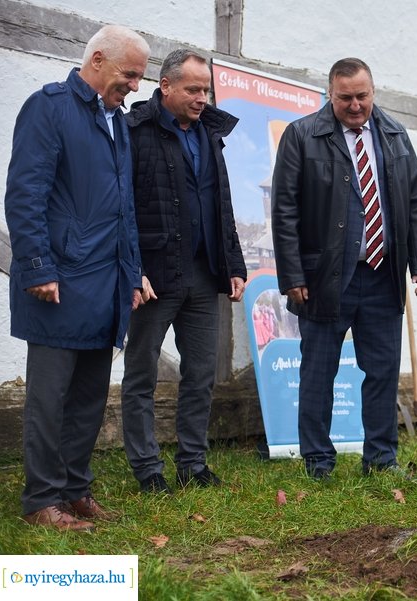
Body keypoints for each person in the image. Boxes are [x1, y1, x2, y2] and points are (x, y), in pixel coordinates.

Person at [4, 25, 150, 531]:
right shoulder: (49, 108)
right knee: (50, 399)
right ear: (97, 61)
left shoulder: (118, 123)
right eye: (129, 75)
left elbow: (124, 210)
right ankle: (41, 501)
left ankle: (74, 490)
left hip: (105, 284)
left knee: (89, 395)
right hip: (59, 281)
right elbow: (26, 195)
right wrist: (38, 267)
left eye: (139, 78)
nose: (135, 86)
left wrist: (132, 274)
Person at [271, 57, 417, 479]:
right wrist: (292, 276)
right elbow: (284, 209)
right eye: (345, 98)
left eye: (362, 96)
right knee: (318, 371)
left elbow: (415, 199)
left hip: (382, 274)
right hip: (324, 277)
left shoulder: (395, 135)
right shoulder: (302, 136)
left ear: (373, 92)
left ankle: (381, 460)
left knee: (381, 371)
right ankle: (318, 461)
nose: (355, 105)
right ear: (330, 94)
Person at [121, 49, 247, 494]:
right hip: (154, 276)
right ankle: (147, 468)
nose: (201, 98)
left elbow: (221, 203)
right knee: (142, 374)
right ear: (166, 86)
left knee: (200, 374)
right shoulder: (135, 131)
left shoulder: (210, 134)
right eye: (193, 89)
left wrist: (233, 263)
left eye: (206, 89)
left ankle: (192, 463)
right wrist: (133, 268)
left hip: (204, 273)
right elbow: (124, 209)